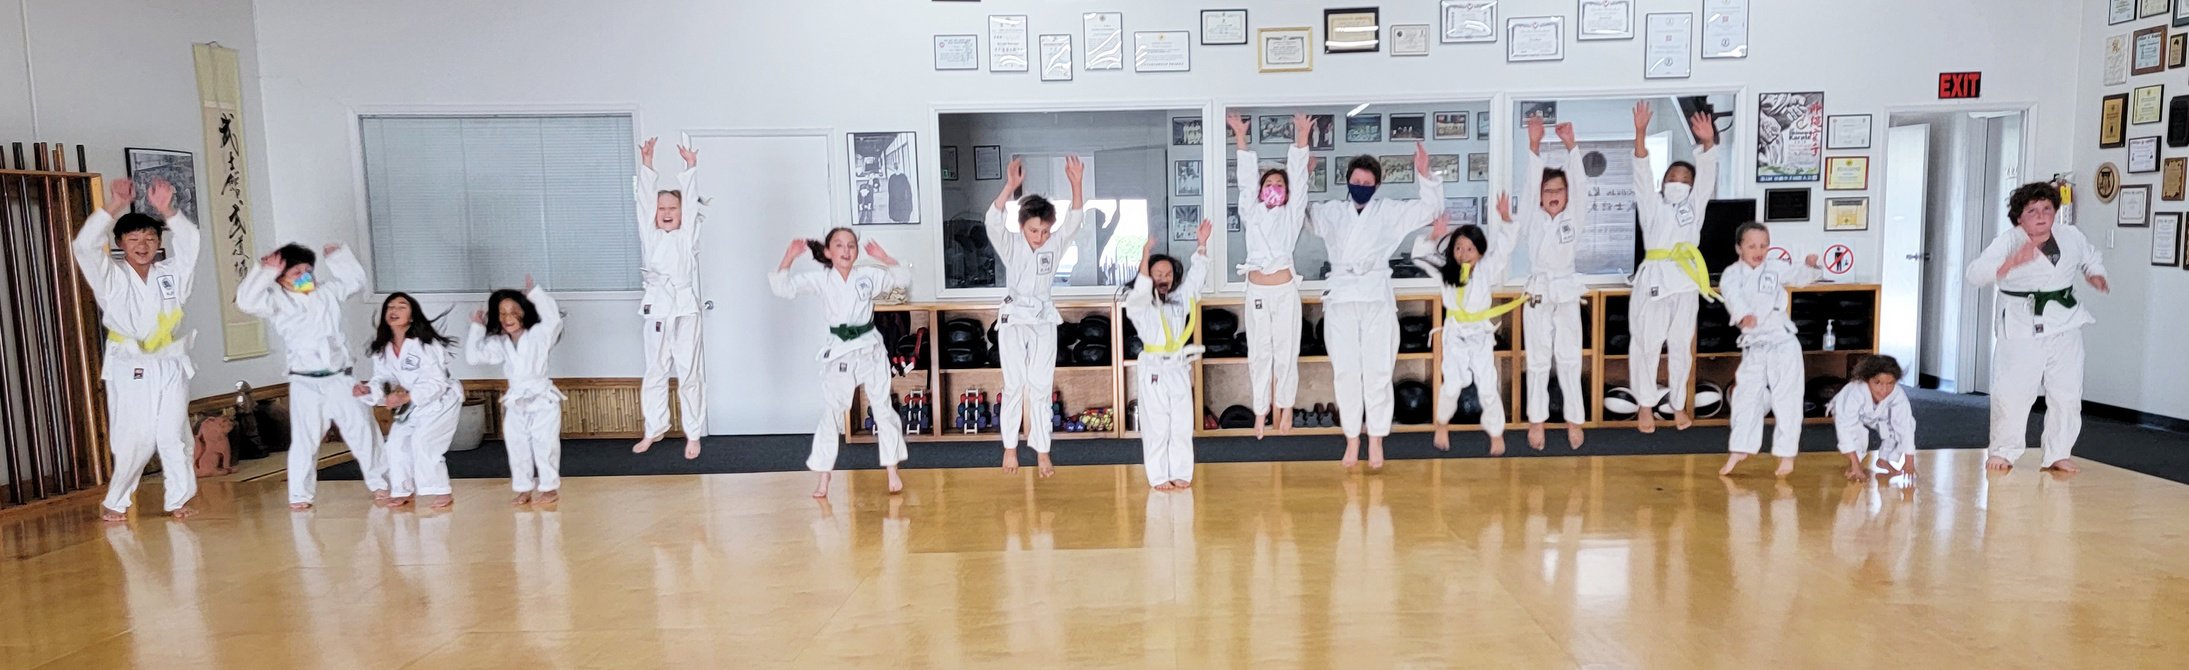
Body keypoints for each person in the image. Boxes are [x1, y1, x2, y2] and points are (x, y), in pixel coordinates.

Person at [71, 178, 200, 521]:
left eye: (150, 238)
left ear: (159, 242)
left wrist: (168, 210)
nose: (143, 245)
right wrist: (114, 205)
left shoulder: (171, 273)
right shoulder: (109, 276)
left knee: (173, 432)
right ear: (120, 243)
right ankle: (116, 499)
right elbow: (83, 246)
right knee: (137, 435)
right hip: (130, 364)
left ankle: (178, 499)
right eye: (133, 239)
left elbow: (190, 243)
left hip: (171, 361)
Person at [1306, 143, 1441, 470]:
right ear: (1348, 181)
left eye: (1368, 184)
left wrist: (1425, 174)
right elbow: (1297, 212)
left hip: (1376, 296)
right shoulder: (1332, 212)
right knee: (1347, 372)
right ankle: (1352, 439)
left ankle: (1377, 439)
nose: (1361, 187)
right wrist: (1302, 174)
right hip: (1341, 297)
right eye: (1356, 181)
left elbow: (1430, 210)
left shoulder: (1389, 212)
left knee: (1379, 370)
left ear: (1377, 185)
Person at [1966, 182, 2107, 473]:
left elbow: (2090, 257)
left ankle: (2058, 452)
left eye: (2047, 209)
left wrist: (2095, 274)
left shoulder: (2071, 236)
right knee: (2012, 391)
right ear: (2020, 217)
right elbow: (1975, 275)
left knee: (2066, 392)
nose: (2041, 216)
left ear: (2055, 211)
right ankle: (2003, 451)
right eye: (2032, 211)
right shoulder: (2008, 242)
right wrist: (2010, 263)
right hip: (2021, 324)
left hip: (2065, 322)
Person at [236, 241, 386, 510]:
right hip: (304, 381)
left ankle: (381, 484)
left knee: (362, 431)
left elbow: (355, 282)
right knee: (305, 440)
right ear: (280, 279)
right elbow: (247, 301)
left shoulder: (327, 292)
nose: (306, 277)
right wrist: (264, 270)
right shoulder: (275, 301)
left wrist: (338, 257)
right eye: (297, 273)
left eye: (309, 270)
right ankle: (300, 495)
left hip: (341, 377)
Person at [770, 228, 911, 498]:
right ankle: (824, 480)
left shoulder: (868, 277)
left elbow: (901, 279)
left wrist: (884, 257)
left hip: (870, 348)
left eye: (851, 246)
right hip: (840, 351)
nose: (846, 251)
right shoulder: (822, 280)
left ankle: (892, 471)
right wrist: (788, 258)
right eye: (839, 246)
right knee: (832, 414)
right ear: (828, 252)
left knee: (883, 408)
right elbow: (783, 288)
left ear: (857, 252)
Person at [985, 155, 1087, 477]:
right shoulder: (1010, 244)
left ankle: (1043, 450)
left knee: (1041, 386)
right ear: (1022, 225)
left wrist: (1076, 184)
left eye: (1044, 231)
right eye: (1033, 230)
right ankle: (1010, 448)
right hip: (1014, 319)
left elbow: (1074, 221)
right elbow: (991, 220)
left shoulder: (1053, 246)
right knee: (1015, 385)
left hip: (1043, 318)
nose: (1039, 237)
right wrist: (1010, 187)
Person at [1628, 102, 1722, 433]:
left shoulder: (1695, 208)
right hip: (1653, 279)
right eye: (1672, 177)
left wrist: (1708, 144)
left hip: (1684, 282)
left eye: (1684, 178)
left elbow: (1707, 175)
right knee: (1646, 344)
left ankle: (1678, 405)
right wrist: (1640, 133)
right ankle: (1645, 406)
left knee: (1681, 346)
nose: (1678, 181)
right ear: (1663, 183)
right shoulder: (1652, 205)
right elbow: (1641, 171)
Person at [1412, 198, 1525, 456]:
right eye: (1459, 248)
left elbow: (1505, 248)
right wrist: (1434, 234)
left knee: (1487, 385)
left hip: (1481, 336)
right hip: (1454, 335)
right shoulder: (1445, 270)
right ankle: (1442, 424)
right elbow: (1419, 255)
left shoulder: (1487, 270)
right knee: (1451, 385)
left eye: (1470, 249)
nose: (1463, 254)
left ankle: (1496, 434)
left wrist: (1507, 219)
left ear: (1480, 253)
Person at [1228, 113, 1311, 438]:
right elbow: (1246, 180)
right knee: (1260, 352)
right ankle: (1261, 410)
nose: (1273, 188)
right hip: (1258, 291)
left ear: (1286, 194)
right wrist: (1240, 138)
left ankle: (1286, 406)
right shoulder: (1251, 212)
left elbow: (1300, 180)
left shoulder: (1292, 215)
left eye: (1279, 185)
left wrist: (1301, 137)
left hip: (1285, 290)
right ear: (1262, 191)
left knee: (1286, 350)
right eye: (1269, 184)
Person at [1717, 223, 1823, 477]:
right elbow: (1732, 296)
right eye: (1752, 246)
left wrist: (1810, 266)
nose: (1759, 251)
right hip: (1754, 345)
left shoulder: (1774, 267)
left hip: (1783, 342)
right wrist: (1744, 316)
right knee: (1745, 398)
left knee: (1787, 398)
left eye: (1763, 245)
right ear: (1739, 248)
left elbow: (1798, 275)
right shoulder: (1732, 275)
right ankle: (1740, 448)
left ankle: (1787, 454)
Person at [1515, 115, 1590, 451]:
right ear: (1541, 196)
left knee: (1570, 357)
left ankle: (1574, 419)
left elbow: (1581, 185)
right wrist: (1534, 145)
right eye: (1548, 190)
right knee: (1539, 359)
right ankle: (1537, 421)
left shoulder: (1576, 215)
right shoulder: (1531, 219)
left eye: (1560, 189)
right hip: (1538, 292)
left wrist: (1571, 146)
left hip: (1567, 288)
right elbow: (1529, 185)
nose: (1554, 194)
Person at [631, 137, 709, 460]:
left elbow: (691, 204)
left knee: (689, 371)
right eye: (661, 208)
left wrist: (690, 167)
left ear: (681, 213)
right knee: (656, 370)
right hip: (657, 307)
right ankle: (654, 428)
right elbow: (643, 203)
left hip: (685, 307)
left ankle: (693, 432)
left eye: (672, 208)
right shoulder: (650, 236)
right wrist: (647, 164)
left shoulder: (686, 235)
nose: (666, 212)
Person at [354, 293, 465, 509]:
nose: (394, 310)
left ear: (412, 316)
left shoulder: (426, 345)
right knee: (395, 445)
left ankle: (441, 490)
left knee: (423, 443)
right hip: (412, 405)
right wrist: (368, 389)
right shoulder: (383, 349)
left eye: (401, 306)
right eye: (390, 307)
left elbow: (437, 382)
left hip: (440, 402)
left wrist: (406, 396)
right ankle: (403, 489)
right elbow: (383, 380)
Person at [1125, 218, 1212, 490]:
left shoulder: (1178, 301)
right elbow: (1140, 291)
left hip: (1177, 368)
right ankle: (1159, 476)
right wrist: (1144, 257)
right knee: (1157, 426)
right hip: (1153, 369)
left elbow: (1196, 281)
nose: (1163, 279)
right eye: (1157, 274)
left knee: (1182, 425)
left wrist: (1201, 246)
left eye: (1168, 274)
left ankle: (1182, 472)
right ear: (1148, 276)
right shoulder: (1140, 304)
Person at [465, 277, 565, 505]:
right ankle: (523, 488)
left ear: (525, 311)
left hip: (542, 400)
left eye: (513, 311)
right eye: (502, 313)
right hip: (516, 401)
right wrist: (477, 327)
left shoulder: (540, 334)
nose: (508, 318)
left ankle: (549, 487)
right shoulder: (500, 343)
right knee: (516, 445)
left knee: (544, 444)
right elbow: (473, 358)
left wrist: (535, 294)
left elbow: (553, 318)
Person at [1831, 355, 1918, 482]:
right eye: (1878, 383)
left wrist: (1909, 461)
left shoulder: (1897, 394)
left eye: (1890, 383)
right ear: (1867, 380)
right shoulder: (1856, 392)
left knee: (1905, 424)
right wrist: (1856, 464)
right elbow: (1845, 428)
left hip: (1878, 413)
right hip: (1844, 411)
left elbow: (1904, 425)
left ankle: (1884, 459)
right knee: (1858, 433)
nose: (1884, 390)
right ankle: (1854, 464)